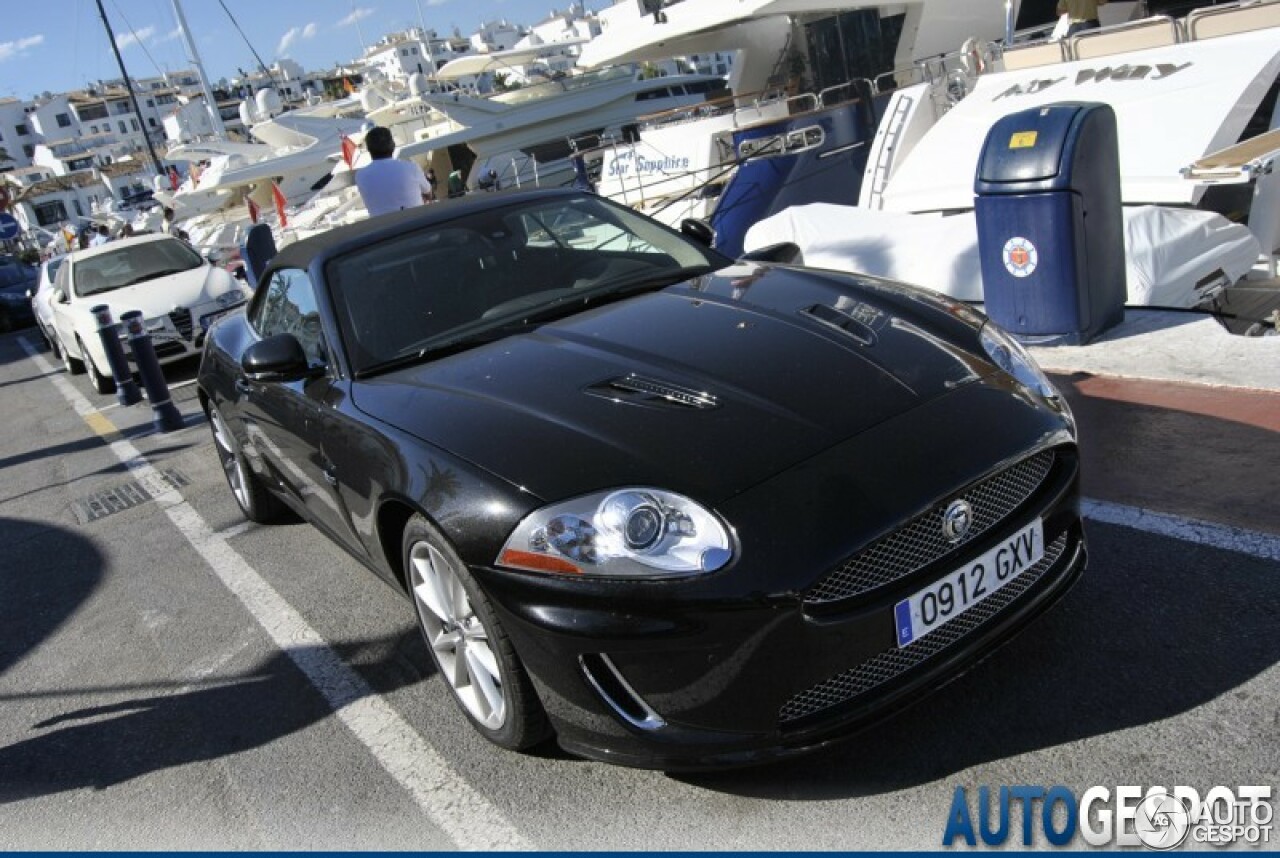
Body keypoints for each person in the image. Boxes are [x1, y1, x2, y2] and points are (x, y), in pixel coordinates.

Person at [354, 126, 432, 217]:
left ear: (368, 149)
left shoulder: (360, 176)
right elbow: (428, 193)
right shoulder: (411, 168)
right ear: (393, 145)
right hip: (415, 223)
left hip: (385, 228)